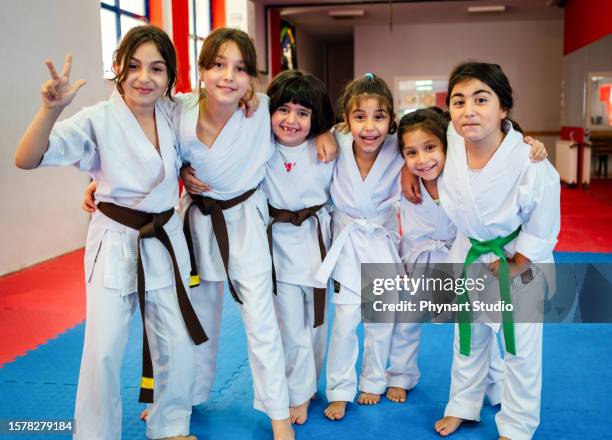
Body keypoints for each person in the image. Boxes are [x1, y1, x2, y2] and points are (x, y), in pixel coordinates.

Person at [14, 26, 202, 440]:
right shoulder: (97, 119)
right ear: (117, 67)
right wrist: (49, 110)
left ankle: (170, 423)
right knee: (103, 348)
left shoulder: (174, 112)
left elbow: (216, 113)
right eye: (133, 66)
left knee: (176, 340)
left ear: (170, 75)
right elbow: (26, 159)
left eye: (156, 68)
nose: (143, 77)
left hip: (166, 238)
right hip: (116, 239)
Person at [433, 62, 560, 440]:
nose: (468, 110)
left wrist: (521, 261)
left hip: (516, 263)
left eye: (481, 99)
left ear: (503, 108)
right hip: (470, 254)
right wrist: (411, 171)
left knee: (519, 349)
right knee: (468, 340)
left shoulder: (529, 159)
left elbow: (545, 217)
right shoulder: (449, 143)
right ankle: (462, 405)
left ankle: (518, 426)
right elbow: (406, 139)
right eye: (458, 101)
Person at [386, 107, 505, 406]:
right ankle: (400, 375)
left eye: (430, 148)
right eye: (411, 153)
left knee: (478, 323)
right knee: (406, 321)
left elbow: (502, 143)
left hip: (459, 257)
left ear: (446, 146)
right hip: (417, 259)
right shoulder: (402, 178)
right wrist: (404, 168)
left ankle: (496, 383)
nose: (422, 160)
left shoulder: (462, 174)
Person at [314, 73, 404, 421]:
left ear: (391, 120)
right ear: (346, 120)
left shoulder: (400, 146)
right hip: (347, 242)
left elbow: (446, 139)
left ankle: (374, 381)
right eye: (360, 116)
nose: (370, 126)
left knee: (381, 320)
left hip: (381, 242)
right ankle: (338, 389)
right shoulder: (334, 138)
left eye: (379, 116)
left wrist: (523, 139)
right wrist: (323, 129)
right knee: (346, 319)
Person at [259, 69, 336, 424]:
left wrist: (326, 130)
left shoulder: (329, 147)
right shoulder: (258, 145)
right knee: (291, 329)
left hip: (319, 246)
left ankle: (310, 383)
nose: (291, 120)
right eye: (283, 110)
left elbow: (373, 138)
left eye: (303, 113)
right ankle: (299, 394)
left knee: (318, 327)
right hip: (279, 249)